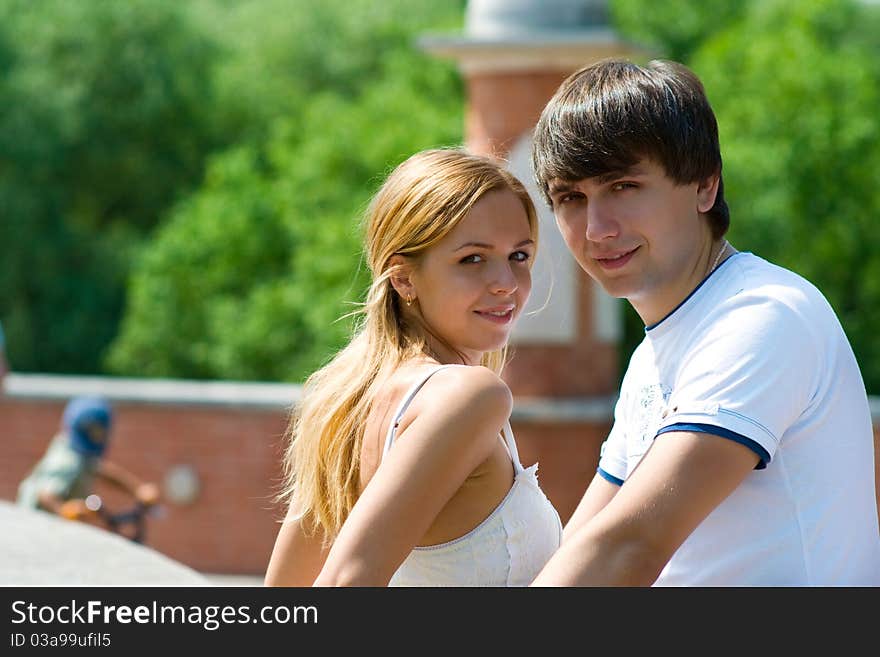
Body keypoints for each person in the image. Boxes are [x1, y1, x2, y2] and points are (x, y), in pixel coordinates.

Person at [528, 58, 880, 586]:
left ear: (704, 186)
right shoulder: (654, 354)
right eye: (570, 198)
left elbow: (631, 547)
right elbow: (580, 548)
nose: (596, 228)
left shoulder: (763, 315)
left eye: (622, 186)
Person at [263, 148, 562, 587]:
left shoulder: (347, 400)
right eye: (472, 259)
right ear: (403, 278)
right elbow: (346, 580)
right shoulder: (469, 396)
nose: (506, 282)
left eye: (519, 255)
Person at [17, 396, 160, 524]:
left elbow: (101, 470)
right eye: (98, 432)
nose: (102, 436)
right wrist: (64, 510)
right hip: (36, 528)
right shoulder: (67, 460)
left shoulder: (77, 450)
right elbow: (45, 494)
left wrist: (137, 488)